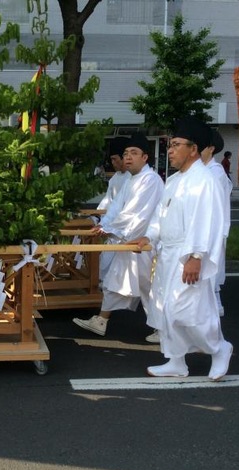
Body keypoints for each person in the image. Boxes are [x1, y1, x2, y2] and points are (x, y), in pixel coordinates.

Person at [134, 117, 232, 381]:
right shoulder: (174, 180)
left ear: (193, 149)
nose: (171, 150)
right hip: (168, 255)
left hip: (189, 256)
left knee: (189, 311)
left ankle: (219, 348)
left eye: (176, 145)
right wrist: (149, 237)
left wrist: (196, 257)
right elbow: (161, 215)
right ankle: (176, 360)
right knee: (166, 310)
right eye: (170, 144)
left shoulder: (205, 180)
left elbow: (207, 221)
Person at [72, 132, 163, 339]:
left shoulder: (150, 180)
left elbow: (135, 213)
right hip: (128, 242)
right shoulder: (131, 179)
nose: (128, 157)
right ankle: (101, 320)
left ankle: (163, 330)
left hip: (143, 244)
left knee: (148, 288)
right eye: (126, 153)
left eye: (134, 153)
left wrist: (111, 229)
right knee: (115, 281)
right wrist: (104, 224)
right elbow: (115, 207)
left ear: (145, 157)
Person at [200, 128, 232, 317]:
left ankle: (214, 304)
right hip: (206, 228)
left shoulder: (215, 173)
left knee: (210, 266)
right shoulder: (204, 170)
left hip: (212, 228)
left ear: (211, 149)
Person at [95, 136, 130, 282]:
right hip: (112, 228)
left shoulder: (133, 178)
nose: (113, 163)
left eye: (115, 159)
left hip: (126, 231)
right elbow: (108, 201)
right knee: (105, 265)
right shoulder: (115, 178)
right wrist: (97, 217)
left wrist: (109, 225)